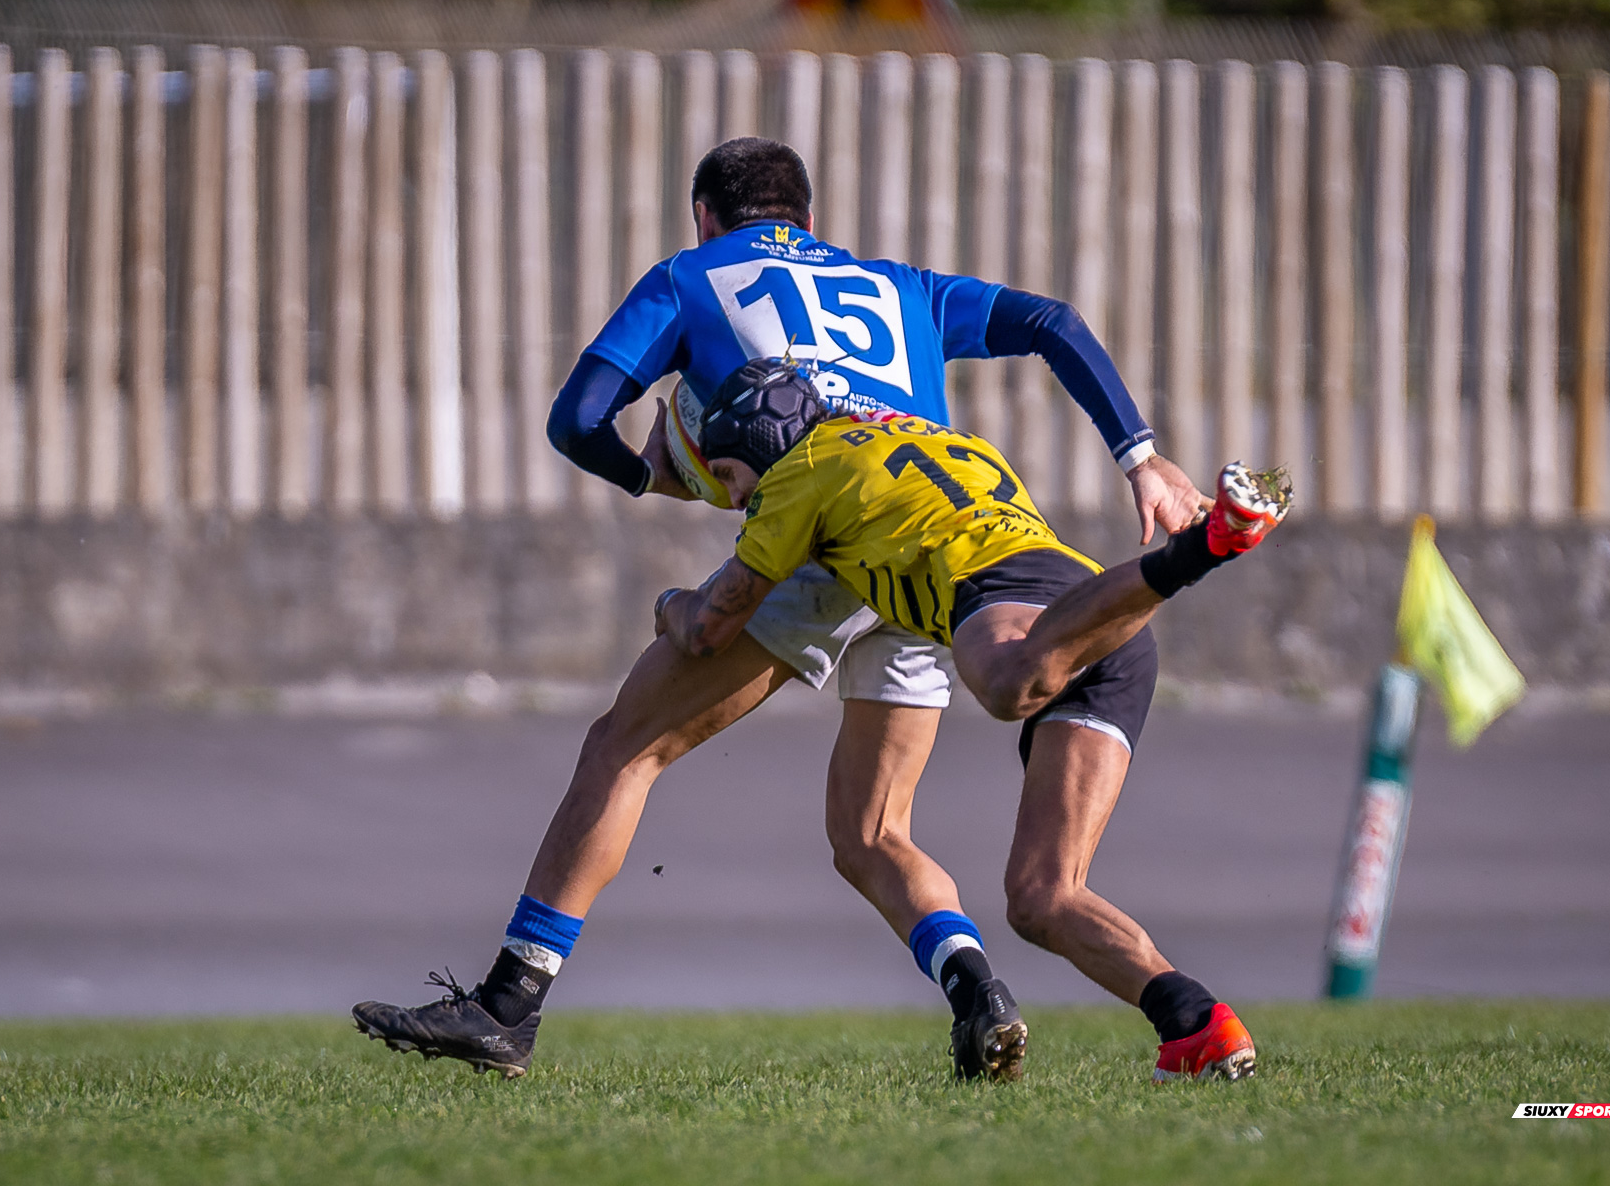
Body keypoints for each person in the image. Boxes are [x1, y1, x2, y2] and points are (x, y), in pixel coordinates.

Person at [351, 137, 1209, 1081]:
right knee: (871, 832)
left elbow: (577, 417)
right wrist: (1141, 456)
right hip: (930, 551)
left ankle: (508, 1005)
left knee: (625, 748)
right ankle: (978, 994)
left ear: (705, 215)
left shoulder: (690, 276)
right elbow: (1051, 319)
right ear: (806, 217)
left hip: (818, 530)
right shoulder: (894, 284)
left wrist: (651, 476)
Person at [654, 361, 1290, 1080]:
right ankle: (1199, 1026)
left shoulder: (800, 472)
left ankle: (1199, 550)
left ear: (761, 450)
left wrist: (667, 604)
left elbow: (710, 628)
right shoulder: (913, 435)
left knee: (1005, 685)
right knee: (1043, 898)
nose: (736, 501)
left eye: (731, 478)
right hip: (1102, 624)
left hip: (1014, 603)